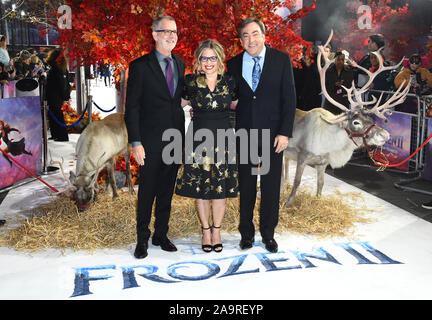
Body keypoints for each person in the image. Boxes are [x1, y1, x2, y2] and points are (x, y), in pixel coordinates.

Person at [226, 17, 296, 253]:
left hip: (272, 136)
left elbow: (289, 99)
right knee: (246, 186)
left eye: (255, 34)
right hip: (244, 135)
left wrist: (285, 132)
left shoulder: (281, 60)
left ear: (264, 35)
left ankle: (268, 234)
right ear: (240, 40)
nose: (250, 39)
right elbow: (232, 98)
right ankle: (246, 234)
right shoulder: (233, 64)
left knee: (269, 186)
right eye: (245, 36)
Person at [124, 16, 186, 259]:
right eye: (165, 31)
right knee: (147, 191)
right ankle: (143, 239)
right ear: (154, 34)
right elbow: (133, 108)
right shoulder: (140, 66)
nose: (171, 35)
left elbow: (176, 100)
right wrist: (136, 143)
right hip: (149, 141)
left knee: (166, 191)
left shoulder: (180, 64)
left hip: (175, 139)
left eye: (174, 32)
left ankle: (161, 234)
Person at [175, 39, 239, 253]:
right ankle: (205, 231)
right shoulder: (190, 82)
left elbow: (243, 107)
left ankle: (217, 230)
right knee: (201, 190)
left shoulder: (230, 82)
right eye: (205, 58)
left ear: (219, 59)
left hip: (224, 140)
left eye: (213, 57)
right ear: (199, 60)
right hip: (197, 140)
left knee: (220, 190)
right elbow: (176, 106)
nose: (209, 62)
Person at [45, 49, 71, 142]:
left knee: (56, 115)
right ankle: (56, 134)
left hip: (54, 96)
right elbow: (65, 84)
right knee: (54, 115)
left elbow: (61, 84)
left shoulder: (56, 69)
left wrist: (65, 96)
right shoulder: (62, 69)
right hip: (57, 95)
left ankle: (61, 135)